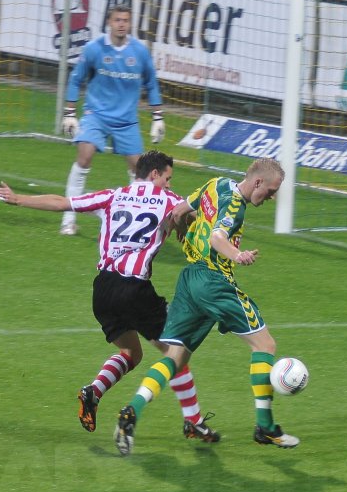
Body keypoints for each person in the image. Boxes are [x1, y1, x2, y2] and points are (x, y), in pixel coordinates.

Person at [0, 150, 219, 443]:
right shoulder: (170, 201)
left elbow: (63, 203)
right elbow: (193, 217)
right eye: (167, 178)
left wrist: (18, 198)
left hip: (103, 290)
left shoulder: (113, 196)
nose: (168, 184)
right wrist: (186, 225)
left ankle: (93, 392)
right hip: (134, 288)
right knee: (176, 353)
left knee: (132, 353)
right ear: (154, 175)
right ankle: (193, 422)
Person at [114, 158, 298, 456]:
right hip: (214, 283)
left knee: (175, 357)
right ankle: (265, 427)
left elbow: (179, 211)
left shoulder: (216, 184)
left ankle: (131, 410)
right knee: (265, 344)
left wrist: (181, 232)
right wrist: (237, 256)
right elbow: (216, 237)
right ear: (258, 183)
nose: (272, 197)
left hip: (189, 281)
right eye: (272, 190)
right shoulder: (236, 206)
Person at [59, 4, 166, 236]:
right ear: (109, 22)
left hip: (127, 120)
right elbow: (76, 79)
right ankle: (68, 219)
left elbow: (152, 84)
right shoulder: (94, 49)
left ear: (130, 24)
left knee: (141, 171)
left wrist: (158, 118)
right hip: (95, 115)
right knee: (84, 156)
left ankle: (136, 222)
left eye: (125, 20)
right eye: (117, 20)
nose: (121, 24)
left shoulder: (139, 52)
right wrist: (69, 112)